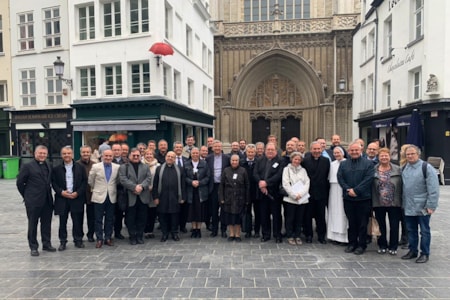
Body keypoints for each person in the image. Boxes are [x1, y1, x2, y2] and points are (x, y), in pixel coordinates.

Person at [401, 145, 439, 263]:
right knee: (411, 230)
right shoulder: (404, 168)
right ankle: (413, 250)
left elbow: (433, 188)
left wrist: (431, 205)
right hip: (408, 205)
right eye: (408, 154)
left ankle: (425, 253)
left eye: (412, 154)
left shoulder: (426, 167)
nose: (410, 156)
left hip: (423, 206)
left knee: (424, 231)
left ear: (418, 154)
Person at [16, 145, 56, 256]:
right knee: (33, 224)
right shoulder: (27, 166)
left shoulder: (49, 165)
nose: (42, 155)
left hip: (47, 200)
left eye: (44, 153)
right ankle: (33, 246)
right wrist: (27, 196)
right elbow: (20, 183)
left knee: (46, 223)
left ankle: (46, 243)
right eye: (40, 153)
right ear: (35, 153)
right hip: (33, 201)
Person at [337, 142, 374, 255]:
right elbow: (340, 178)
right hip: (348, 198)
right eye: (352, 150)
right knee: (351, 222)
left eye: (356, 150)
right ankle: (352, 243)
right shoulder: (343, 164)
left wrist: (356, 190)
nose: (354, 152)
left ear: (361, 151)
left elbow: (368, 179)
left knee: (363, 223)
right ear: (348, 152)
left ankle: (361, 245)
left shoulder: (368, 163)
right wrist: (348, 189)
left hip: (363, 199)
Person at [52, 146, 87, 251]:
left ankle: (78, 240)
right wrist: (61, 192)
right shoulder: (56, 168)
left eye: (68, 153)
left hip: (76, 198)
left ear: (72, 154)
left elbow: (84, 182)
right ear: (61, 155)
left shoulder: (80, 167)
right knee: (63, 222)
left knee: (77, 220)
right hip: (62, 198)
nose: (66, 155)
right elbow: (53, 183)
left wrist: (77, 193)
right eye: (64, 153)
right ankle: (63, 241)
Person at [372, 147, 402, 255]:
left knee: (394, 225)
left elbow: (402, 185)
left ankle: (393, 246)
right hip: (379, 202)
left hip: (394, 202)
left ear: (390, 156)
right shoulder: (373, 169)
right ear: (378, 157)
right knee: (381, 225)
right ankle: (382, 244)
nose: (384, 157)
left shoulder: (398, 169)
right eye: (382, 156)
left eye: (386, 155)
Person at [119, 148, 152, 245]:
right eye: (134, 155)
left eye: (138, 155)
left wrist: (141, 187)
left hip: (143, 196)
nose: (136, 157)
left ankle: (140, 235)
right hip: (130, 196)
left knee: (142, 217)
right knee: (130, 218)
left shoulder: (145, 166)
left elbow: (148, 178)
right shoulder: (124, 167)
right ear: (129, 156)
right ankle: (132, 236)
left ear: (141, 156)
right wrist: (134, 187)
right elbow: (123, 180)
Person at [88, 149, 120, 248]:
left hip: (111, 196)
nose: (108, 158)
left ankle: (108, 238)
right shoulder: (96, 166)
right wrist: (96, 189)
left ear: (113, 157)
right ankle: (99, 239)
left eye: (110, 156)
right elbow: (90, 181)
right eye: (106, 156)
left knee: (110, 219)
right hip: (98, 196)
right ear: (102, 156)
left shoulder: (117, 167)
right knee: (98, 219)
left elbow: (117, 181)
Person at [253, 142, 284, 243]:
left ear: (276, 151)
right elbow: (255, 173)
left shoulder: (280, 161)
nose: (270, 151)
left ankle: (277, 235)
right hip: (262, 193)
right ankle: (265, 234)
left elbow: (279, 175)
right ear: (265, 150)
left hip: (274, 193)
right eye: (268, 150)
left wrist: (266, 183)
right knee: (264, 214)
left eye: (272, 150)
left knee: (276, 215)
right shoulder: (259, 160)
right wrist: (260, 183)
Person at [152, 151, 186, 242]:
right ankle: (164, 233)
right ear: (166, 157)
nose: (170, 158)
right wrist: (155, 197)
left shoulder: (180, 169)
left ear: (175, 159)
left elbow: (183, 184)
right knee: (162, 216)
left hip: (175, 197)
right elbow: (155, 184)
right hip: (162, 197)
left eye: (172, 157)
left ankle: (174, 233)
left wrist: (183, 197)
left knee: (175, 216)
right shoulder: (159, 169)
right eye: (168, 156)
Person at [301, 141, 330, 244]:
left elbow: (327, 176)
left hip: (321, 193)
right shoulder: (305, 161)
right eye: (315, 149)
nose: (317, 151)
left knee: (321, 216)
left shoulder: (326, 161)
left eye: (318, 149)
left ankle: (321, 236)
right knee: (307, 216)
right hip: (308, 193)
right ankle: (308, 235)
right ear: (311, 149)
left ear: (321, 149)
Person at [219, 154, 250, 242]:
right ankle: (231, 234)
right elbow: (222, 185)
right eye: (233, 160)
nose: (234, 162)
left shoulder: (243, 170)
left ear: (238, 161)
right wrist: (221, 198)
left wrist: (247, 199)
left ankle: (237, 234)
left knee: (238, 217)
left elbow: (247, 185)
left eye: (236, 160)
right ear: (230, 161)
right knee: (230, 217)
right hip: (229, 197)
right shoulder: (226, 170)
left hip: (240, 197)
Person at [282, 152, 310, 245]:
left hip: (302, 199)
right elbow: (285, 183)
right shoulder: (286, 169)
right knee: (290, 218)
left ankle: (297, 235)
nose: (297, 161)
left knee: (299, 218)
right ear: (291, 159)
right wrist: (294, 195)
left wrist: (301, 194)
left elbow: (307, 183)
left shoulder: (304, 170)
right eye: (295, 159)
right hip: (290, 199)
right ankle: (290, 235)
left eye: (299, 159)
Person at [206, 140, 230, 238]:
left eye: (219, 147)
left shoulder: (226, 158)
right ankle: (214, 230)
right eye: (215, 147)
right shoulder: (208, 158)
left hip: (223, 186)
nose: (217, 148)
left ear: (221, 148)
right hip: (213, 186)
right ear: (212, 148)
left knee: (224, 209)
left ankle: (223, 230)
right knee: (214, 209)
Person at [185, 147, 210, 238]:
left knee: (199, 211)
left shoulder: (204, 164)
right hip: (191, 191)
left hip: (200, 191)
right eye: (193, 153)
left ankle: (198, 229)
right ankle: (193, 228)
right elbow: (184, 177)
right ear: (191, 154)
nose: (195, 155)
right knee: (192, 210)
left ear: (199, 154)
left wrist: (200, 182)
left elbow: (208, 177)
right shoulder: (186, 164)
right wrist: (191, 182)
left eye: (196, 153)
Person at [326, 146, 348, 245]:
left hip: (343, 189)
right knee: (333, 212)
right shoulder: (332, 164)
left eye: (338, 152)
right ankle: (333, 236)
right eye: (335, 153)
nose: (336, 154)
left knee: (343, 213)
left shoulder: (347, 162)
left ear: (343, 153)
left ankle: (344, 238)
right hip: (333, 190)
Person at [76, 145, 96, 243]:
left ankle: (91, 234)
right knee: (79, 216)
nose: (86, 154)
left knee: (91, 216)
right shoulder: (76, 164)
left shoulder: (95, 164)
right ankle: (79, 236)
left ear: (90, 153)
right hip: (79, 194)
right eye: (84, 152)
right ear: (80, 153)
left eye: (87, 152)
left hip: (91, 194)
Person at [240, 144, 260, 238]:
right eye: (249, 152)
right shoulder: (242, 163)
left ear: (255, 153)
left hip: (256, 190)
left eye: (252, 152)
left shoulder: (259, 162)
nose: (250, 154)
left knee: (258, 212)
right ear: (246, 153)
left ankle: (256, 230)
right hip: (245, 191)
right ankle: (248, 230)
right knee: (247, 212)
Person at [142, 149, 160, 239]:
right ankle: (144, 230)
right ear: (144, 155)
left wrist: (153, 187)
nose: (149, 156)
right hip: (143, 191)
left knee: (152, 212)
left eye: (150, 154)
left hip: (153, 191)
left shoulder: (158, 166)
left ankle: (150, 230)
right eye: (147, 154)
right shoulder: (141, 164)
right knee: (144, 212)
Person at [174, 141, 189, 233]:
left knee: (184, 208)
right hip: (173, 187)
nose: (178, 149)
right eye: (177, 147)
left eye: (180, 147)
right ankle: (174, 226)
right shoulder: (170, 158)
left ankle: (183, 226)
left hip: (184, 187)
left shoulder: (186, 160)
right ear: (174, 149)